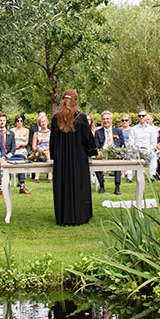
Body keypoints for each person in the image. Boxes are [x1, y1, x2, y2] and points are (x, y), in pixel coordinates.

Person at [50, 89, 96, 226]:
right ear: (75, 100)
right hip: (78, 158)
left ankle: (64, 217)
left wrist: (54, 155)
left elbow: (52, 141)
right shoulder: (80, 117)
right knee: (79, 185)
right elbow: (87, 139)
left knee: (62, 185)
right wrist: (92, 152)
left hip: (61, 159)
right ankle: (80, 216)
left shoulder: (55, 118)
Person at [0, 113, 30, 194]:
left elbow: (13, 147)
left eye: (4, 120)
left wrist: (10, 153)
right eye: (0, 120)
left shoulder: (10, 133)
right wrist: (1, 156)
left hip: (9, 156)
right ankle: (0, 188)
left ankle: (22, 185)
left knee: (21, 160)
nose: (2, 122)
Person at [92, 110, 124, 194]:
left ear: (111, 120)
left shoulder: (118, 131)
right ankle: (102, 185)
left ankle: (117, 187)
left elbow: (122, 144)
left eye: (107, 119)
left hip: (115, 154)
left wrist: (119, 151)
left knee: (118, 161)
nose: (105, 121)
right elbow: (96, 146)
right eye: (103, 119)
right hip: (103, 154)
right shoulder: (98, 132)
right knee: (96, 163)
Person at [127, 109, 160, 179]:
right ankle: (129, 177)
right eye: (139, 116)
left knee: (153, 156)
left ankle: (151, 176)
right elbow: (131, 142)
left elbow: (154, 143)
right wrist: (136, 150)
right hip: (137, 150)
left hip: (148, 150)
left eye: (143, 116)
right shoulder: (133, 129)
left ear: (146, 117)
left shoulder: (152, 129)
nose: (141, 117)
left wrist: (147, 150)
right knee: (130, 155)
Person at [12, 113, 31, 183]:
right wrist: (15, 145)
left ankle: (21, 180)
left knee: (21, 157)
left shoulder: (26, 130)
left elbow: (26, 142)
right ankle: (21, 181)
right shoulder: (12, 130)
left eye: (21, 121)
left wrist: (20, 144)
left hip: (22, 149)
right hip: (14, 149)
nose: (19, 123)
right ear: (15, 122)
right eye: (18, 121)